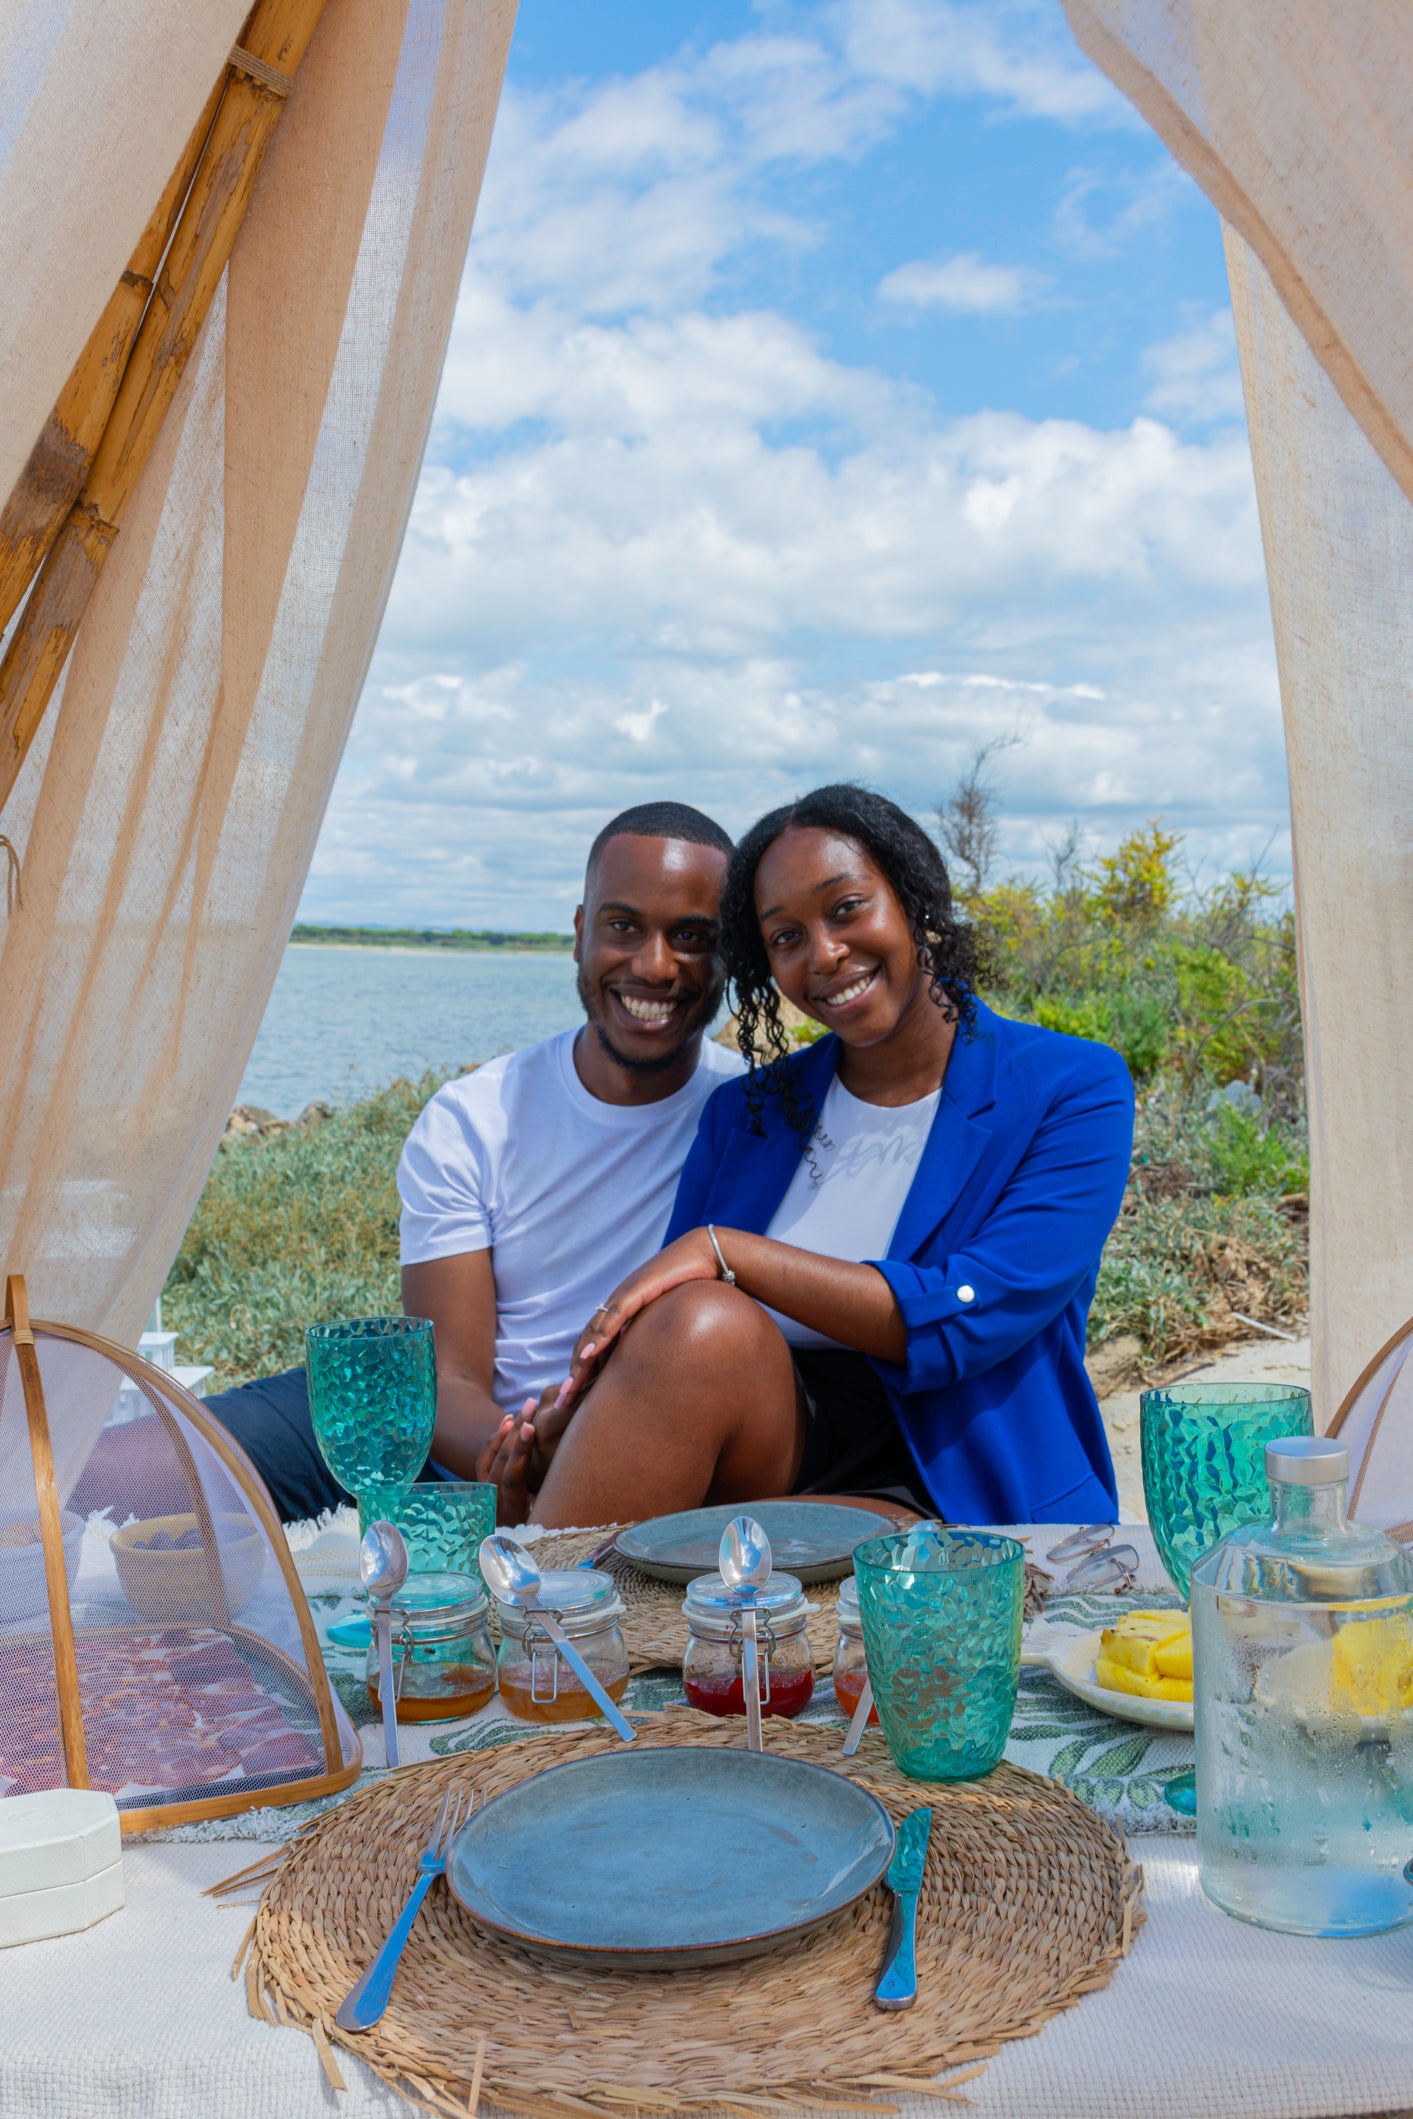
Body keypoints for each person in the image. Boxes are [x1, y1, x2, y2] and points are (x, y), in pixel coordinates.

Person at [480, 783, 1134, 1529]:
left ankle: (552, 1605)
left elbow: (971, 1316)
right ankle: (545, 1603)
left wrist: (732, 1252)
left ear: (914, 899)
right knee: (696, 1323)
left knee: (707, 1325)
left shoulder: (1069, 1088)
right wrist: (559, 1438)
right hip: (769, 1463)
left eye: (846, 908)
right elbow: (664, 1341)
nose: (824, 954)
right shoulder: (748, 1113)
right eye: (785, 937)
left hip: (955, 1486)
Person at [205, 802, 742, 1519]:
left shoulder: (755, 1116)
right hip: (470, 1446)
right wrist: (517, 1450)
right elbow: (450, 1376)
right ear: (580, 933)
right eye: (623, 927)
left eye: (691, 937)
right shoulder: (474, 1116)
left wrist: (572, 1462)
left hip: (639, 1460)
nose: (653, 965)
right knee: (165, 1455)